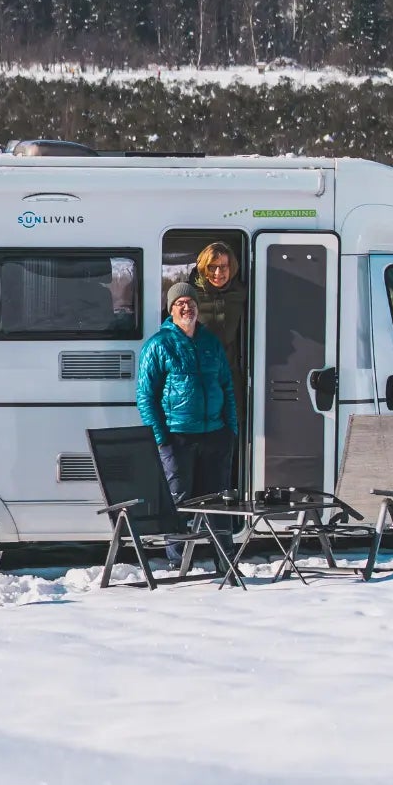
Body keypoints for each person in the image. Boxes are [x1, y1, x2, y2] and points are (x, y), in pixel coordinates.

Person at [137, 281, 238, 565]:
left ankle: (226, 562)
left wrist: (231, 429)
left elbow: (227, 386)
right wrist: (161, 438)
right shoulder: (158, 345)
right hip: (177, 436)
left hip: (215, 434)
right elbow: (145, 396)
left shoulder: (210, 343)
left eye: (191, 302)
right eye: (179, 303)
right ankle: (179, 563)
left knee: (219, 502)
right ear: (171, 310)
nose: (186, 307)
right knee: (179, 501)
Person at [189, 240, 248, 446]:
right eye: (212, 267)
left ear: (232, 268)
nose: (217, 273)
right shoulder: (190, 295)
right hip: (198, 375)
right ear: (203, 268)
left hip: (229, 374)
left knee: (229, 434)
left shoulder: (241, 293)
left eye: (223, 267)